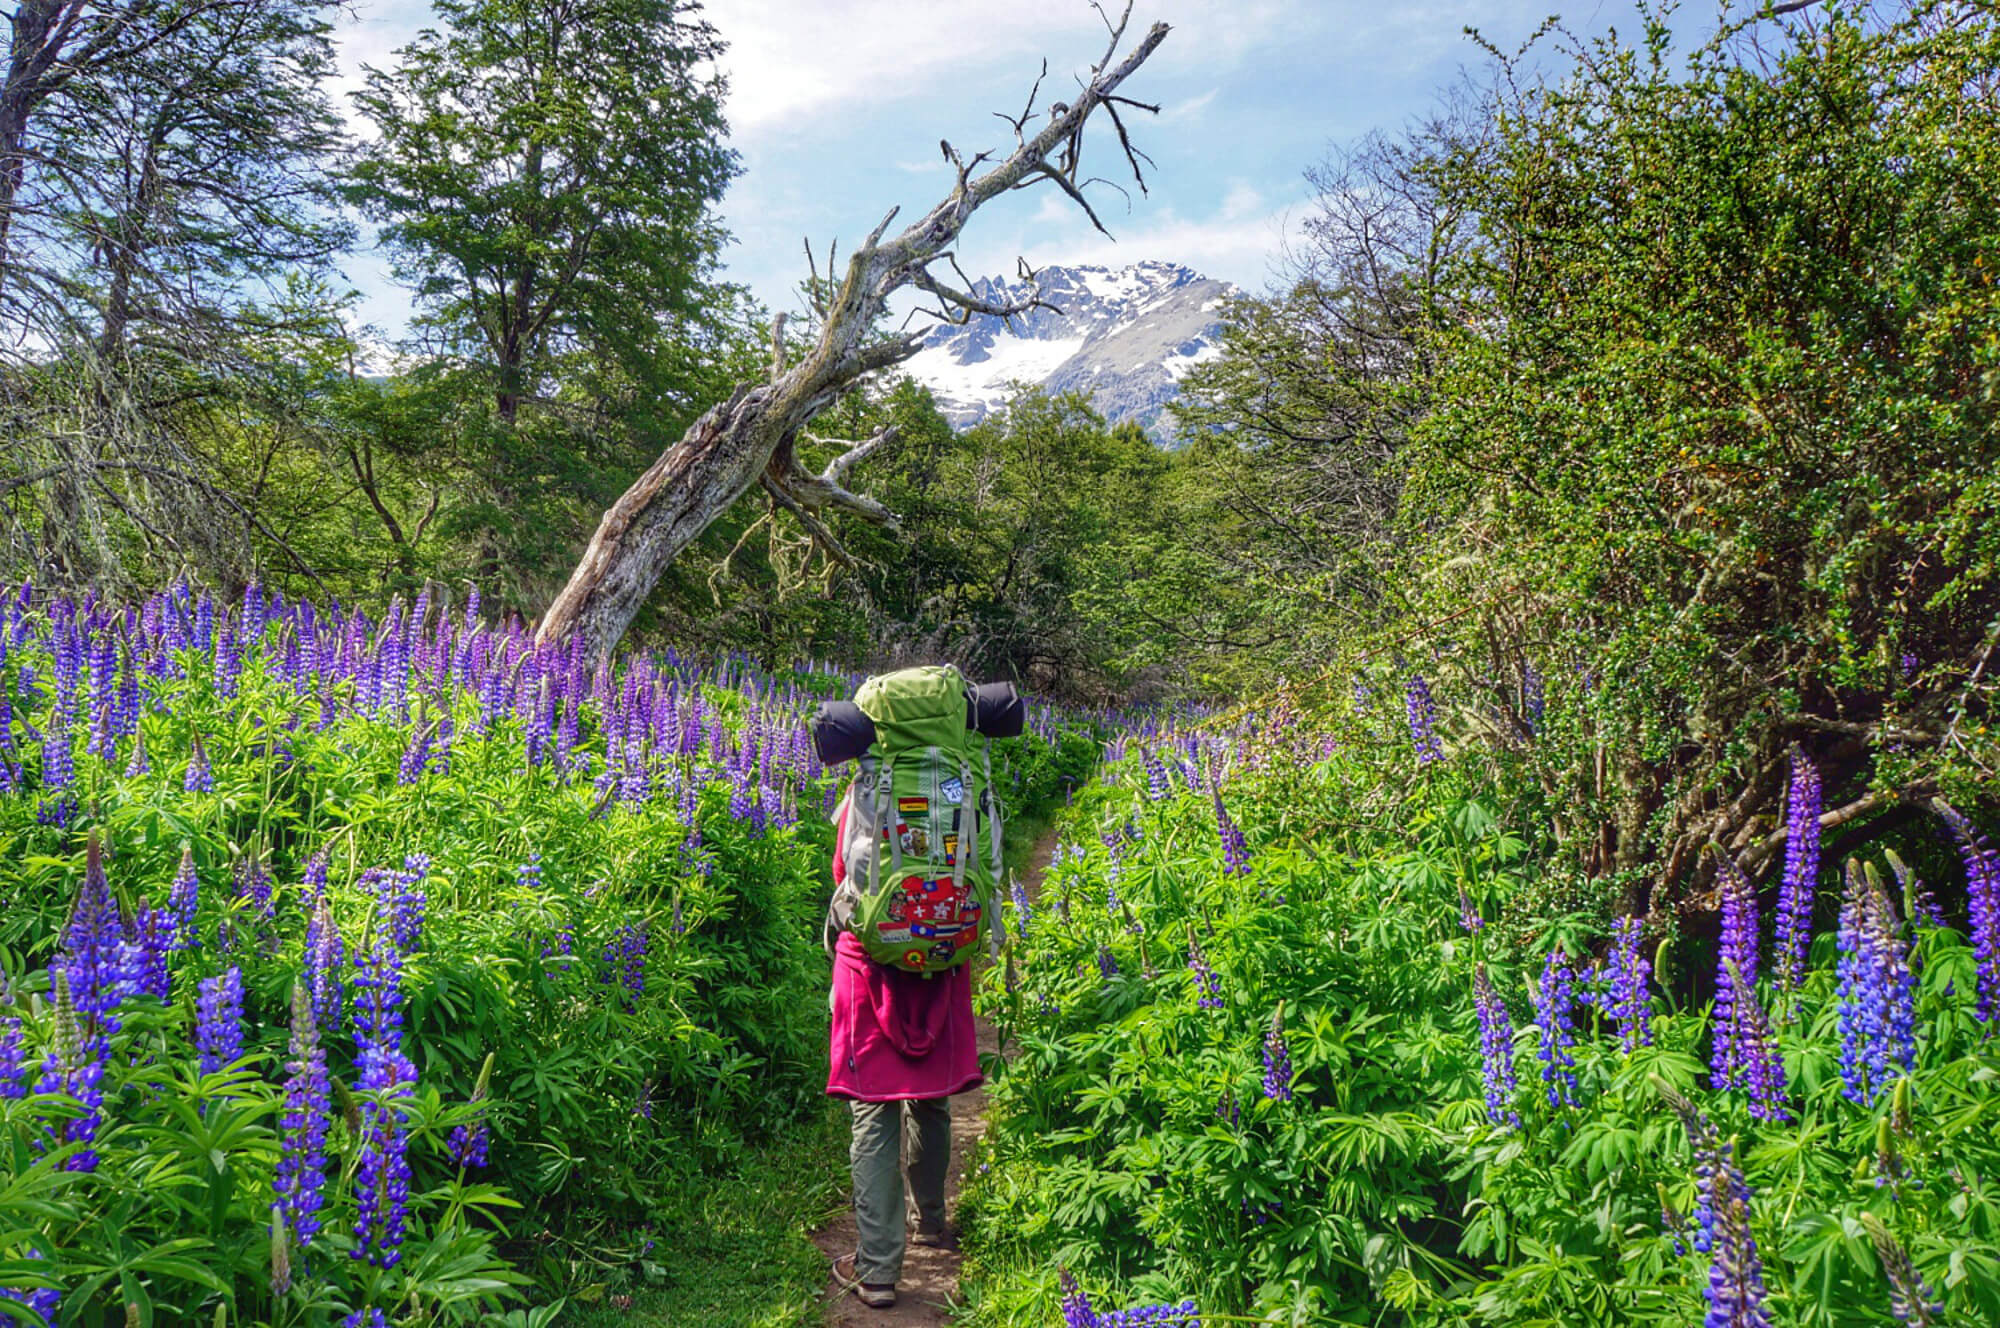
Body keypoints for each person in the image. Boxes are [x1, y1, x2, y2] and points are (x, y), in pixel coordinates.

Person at [826, 779, 981, 1311]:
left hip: (870, 962)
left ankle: (877, 1271)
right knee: (929, 1095)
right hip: (940, 951)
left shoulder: (869, 787)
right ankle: (930, 1224)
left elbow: (844, 876)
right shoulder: (955, 781)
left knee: (874, 1110)